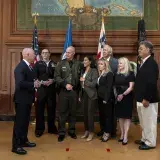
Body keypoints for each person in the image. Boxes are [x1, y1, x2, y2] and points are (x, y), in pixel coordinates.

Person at [12, 48, 41, 155]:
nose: (35, 56)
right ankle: (16, 146)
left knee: (25, 123)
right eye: (34, 54)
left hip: (28, 100)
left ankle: (23, 141)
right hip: (21, 100)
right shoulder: (20, 67)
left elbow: (30, 81)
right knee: (19, 124)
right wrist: (33, 84)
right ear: (27, 54)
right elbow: (20, 84)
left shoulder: (29, 67)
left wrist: (36, 83)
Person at [135, 41, 159, 150]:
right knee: (143, 121)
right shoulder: (143, 62)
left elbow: (151, 83)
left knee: (150, 122)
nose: (139, 50)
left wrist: (146, 98)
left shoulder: (152, 64)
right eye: (139, 48)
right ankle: (145, 138)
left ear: (148, 50)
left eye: (141, 48)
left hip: (148, 100)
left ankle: (150, 142)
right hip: (141, 98)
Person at [54, 46, 81, 142]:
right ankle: (61, 132)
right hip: (63, 92)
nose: (67, 54)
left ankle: (71, 131)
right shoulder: (61, 63)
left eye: (69, 52)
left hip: (74, 92)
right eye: (66, 52)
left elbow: (81, 76)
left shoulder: (79, 64)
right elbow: (56, 77)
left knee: (73, 112)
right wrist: (65, 84)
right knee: (62, 113)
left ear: (74, 53)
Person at [34, 49, 58, 137]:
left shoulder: (54, 64)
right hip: (41, 90)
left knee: (51, 109)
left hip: (51, 90)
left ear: (49, 54)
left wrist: (53, 81)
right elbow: (34, 76)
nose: (45, 54)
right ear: (41, 54)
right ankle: (39, 129)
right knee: (39, 110)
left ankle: (52, 128)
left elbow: (57, 76)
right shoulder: (37, 64)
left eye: (46, 53)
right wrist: (40, 82)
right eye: (43, 53)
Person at [97, 44, 118, 138]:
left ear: (110, 52)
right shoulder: (100, 64)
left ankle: (110, 132)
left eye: (105, 50)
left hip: (109, 94)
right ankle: (103, 130)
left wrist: (107, 96)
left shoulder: (115, 62)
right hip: (101, 95)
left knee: (110, 115)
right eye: (103, 50)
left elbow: (115, 79)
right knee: (103, 114)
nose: (103, 51)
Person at [114, 57, 135, 145]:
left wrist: (123, 95)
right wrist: (117, 96)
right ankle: (122, 134)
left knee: (126, 117)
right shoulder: (117, 73)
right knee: (120, 117)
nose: (119, 65)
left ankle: (126, 135)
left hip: (127, 97)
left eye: (121, 63)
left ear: (125, 64)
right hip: (118, 97)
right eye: (118, 63)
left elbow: (131, 87)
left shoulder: (130, 73)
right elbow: (114, 86)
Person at [80, 56, 98, 142]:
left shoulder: (94, 71)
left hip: (91, 95)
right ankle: (86, 130)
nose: (84, 61)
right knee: (84, 113)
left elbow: (94, 84)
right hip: (84, 94)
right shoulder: (83, 71)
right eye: (84, 60)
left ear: (90, 62)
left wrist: (84, 80)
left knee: (90, 114)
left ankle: (91, 132)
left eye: (85, 60)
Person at [97, 59, 114, 142]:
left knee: (107, 116)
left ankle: (107, 133)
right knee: (102, 115)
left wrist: (106, 99)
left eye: (101, 64)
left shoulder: (109, 74)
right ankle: (103, 130)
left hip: (106, 98)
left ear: (105, 65)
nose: (99, 65)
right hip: (100, 98)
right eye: (99, 64)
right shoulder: (100, 74)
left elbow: (109, 87)